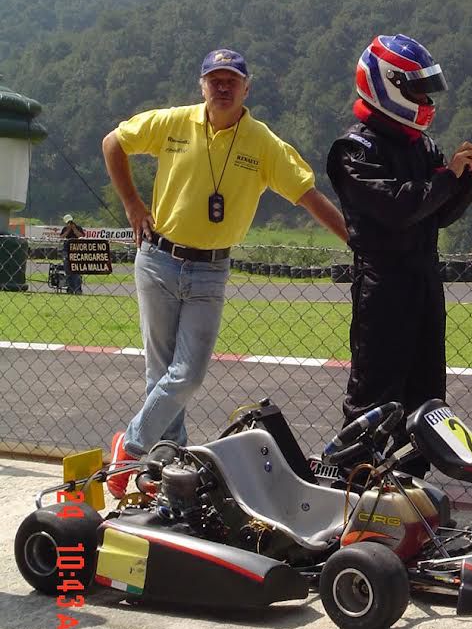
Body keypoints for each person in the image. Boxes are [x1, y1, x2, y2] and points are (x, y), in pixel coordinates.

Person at [102, 47, 348, 497]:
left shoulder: (263, 143)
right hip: (157, 258)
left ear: (246, 88)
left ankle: (132, 446)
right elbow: (114, 142)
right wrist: (133, 204)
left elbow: (308, 195)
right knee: (161, 374)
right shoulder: (173, 123)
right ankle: (166, 464)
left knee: (188, 373)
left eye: (231, 80)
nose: (222, 86)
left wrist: (356, 241)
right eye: (214, 79)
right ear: (201, 85)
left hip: (209, 272)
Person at [326, 33, 472, 462]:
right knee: (374, 399)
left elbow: (439, 213)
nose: (426, 98)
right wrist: (450, 177)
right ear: (387, 84)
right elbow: (398, 208)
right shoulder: (353, 149)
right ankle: (351, 495)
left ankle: (411, 498)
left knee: (427, 403)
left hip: (425, 279)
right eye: (417, 88)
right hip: (383, 286)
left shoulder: (422, 145)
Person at [59, 213, 85, 294]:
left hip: (77, 251)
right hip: (67, 250)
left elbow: (81, 236)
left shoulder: (79, 228)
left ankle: (78, 289)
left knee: (77, 271)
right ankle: (70, 289)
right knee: (68, 271)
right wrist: (68, 230)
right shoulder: (65, 229)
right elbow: (62, 237)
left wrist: (74, 229)